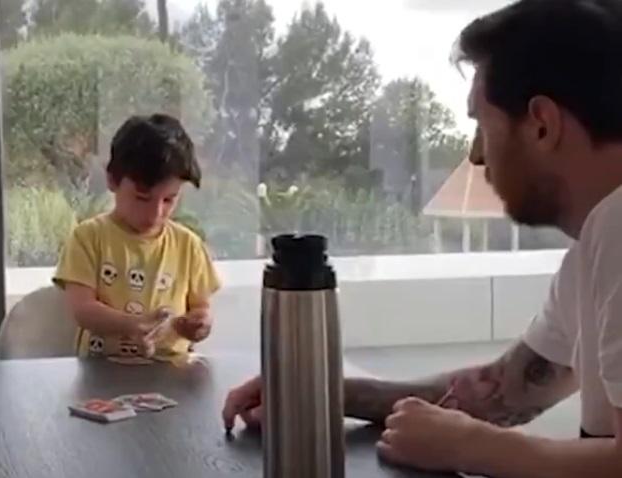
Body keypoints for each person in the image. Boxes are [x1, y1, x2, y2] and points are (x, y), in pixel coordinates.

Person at [222, 1, 622, 476]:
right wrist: (323, 391)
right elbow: (504, 390)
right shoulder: (593, 249)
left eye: (481, 124)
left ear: (541, 124)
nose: (476, 155)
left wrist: (473, 447)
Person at [54, 114, 220, 362]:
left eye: (169, 199)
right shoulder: (88, 238)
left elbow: (201, 308)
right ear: (112, 180)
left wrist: (198, 324)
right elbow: (83, 310)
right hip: (102, 372)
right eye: (142, 198)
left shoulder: (189, 246)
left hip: (171, 371)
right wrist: (131, 325)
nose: (155, 213)